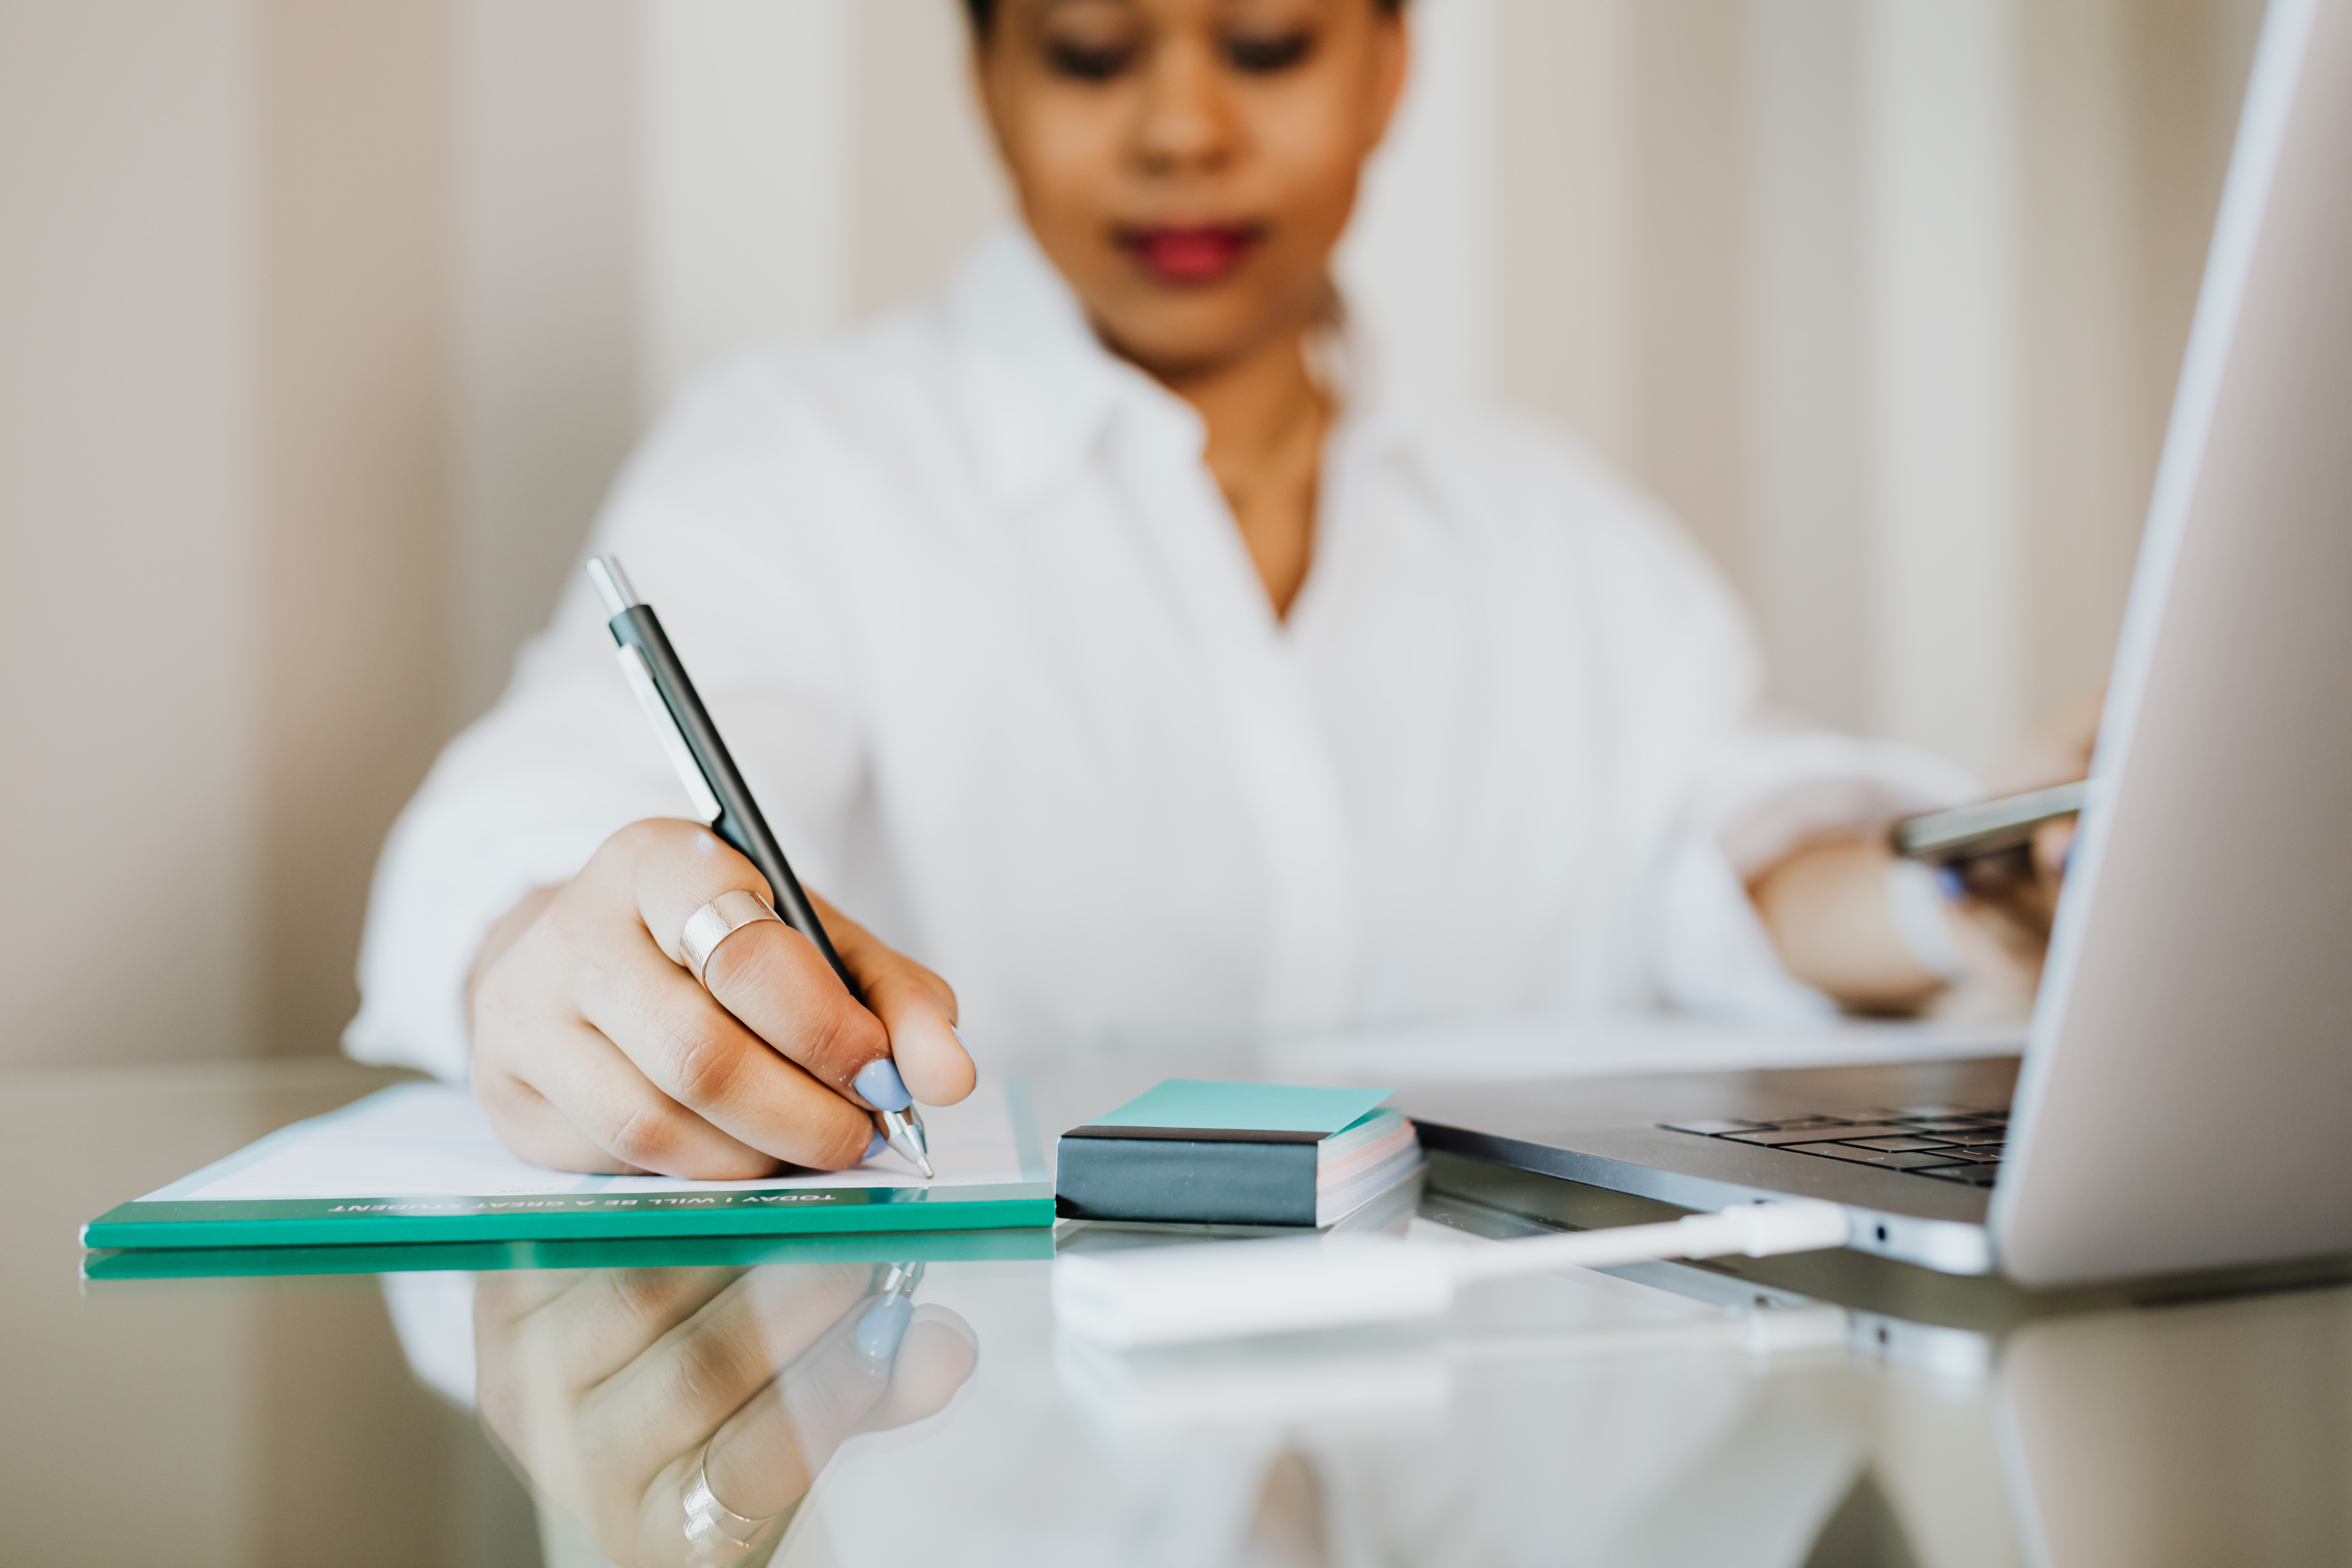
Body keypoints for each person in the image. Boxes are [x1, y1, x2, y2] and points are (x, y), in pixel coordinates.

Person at [349, 0, 2080, 1179]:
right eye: (1096, 53)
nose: (1183, 130)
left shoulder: (1563, 533)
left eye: (1265, 42)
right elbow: (543, 814)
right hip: (957, 1435)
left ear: (1391, 67)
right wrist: (549, 948)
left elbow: (1744, 864)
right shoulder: (802, 461)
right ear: (989, 81)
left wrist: (1972, 882)